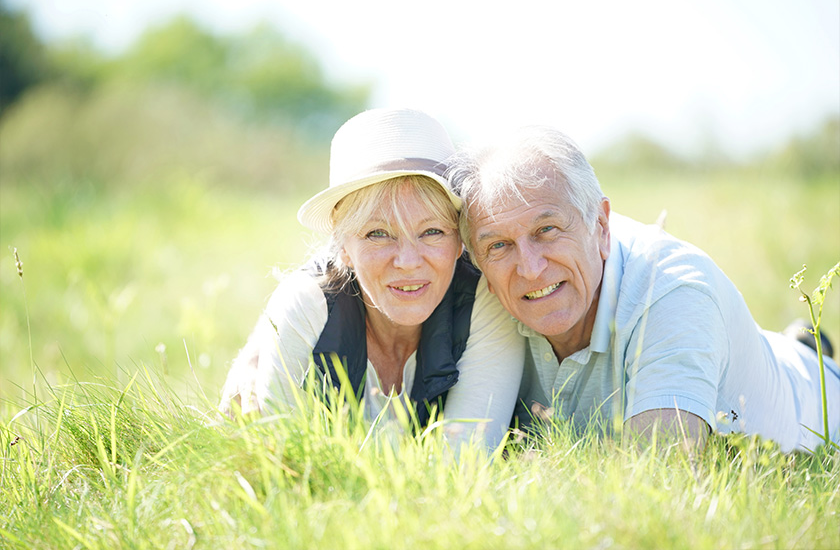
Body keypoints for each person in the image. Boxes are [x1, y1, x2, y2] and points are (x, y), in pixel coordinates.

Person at [447, 125, 840, 452]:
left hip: (817, 403)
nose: (530, 270)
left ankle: (805, 351)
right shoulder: (485, 291)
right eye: (498, 245)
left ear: (601, 227)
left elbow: (660, 475)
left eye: (546, 231)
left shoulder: (674, 292)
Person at [219, 108, 524, 449]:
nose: (408, 262)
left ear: (459, 241)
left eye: (432, 231)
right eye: (378, 234)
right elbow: (279, 459)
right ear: (343, 244)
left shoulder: (484, 302)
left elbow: (466, 461)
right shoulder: (306, 304)